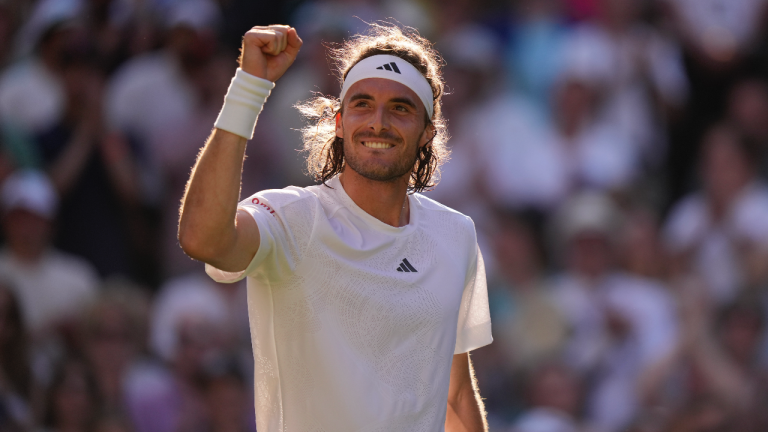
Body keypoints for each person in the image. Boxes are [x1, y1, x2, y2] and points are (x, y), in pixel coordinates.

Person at [178, 23, 492, 431]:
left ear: (427, 133)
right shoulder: (290, 217)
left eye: (400, 108)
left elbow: (455, 395)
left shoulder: (457, 234)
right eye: (363, 104)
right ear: (340, 122)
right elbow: (202, 239)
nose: (378, 122)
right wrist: (248, 89)